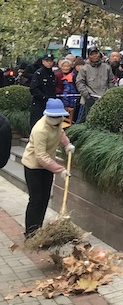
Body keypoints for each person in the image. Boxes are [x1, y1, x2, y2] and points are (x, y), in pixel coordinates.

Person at [21, 98, 74, 238]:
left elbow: (60, 133)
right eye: (54, 116)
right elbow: (40, 156)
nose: (56, 119)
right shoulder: (40, 130)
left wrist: (67, 144)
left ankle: (39, 228)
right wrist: (60, 169)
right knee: (36, 199)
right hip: (33, 167)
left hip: (47, 167)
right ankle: (30, 233)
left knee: (44, 198)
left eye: (58, 116)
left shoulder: (57, 124)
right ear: (48, 115)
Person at [75, 45, 114, 120]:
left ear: (99, 54)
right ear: (89, 56)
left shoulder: (107, 67)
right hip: (89, 98)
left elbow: (111, 81)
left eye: (96, 53)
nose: (94, 56)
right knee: (86, 120)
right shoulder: (84, 69)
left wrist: (109, 93)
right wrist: (86, 94)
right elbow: (79, 82)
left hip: (104, 97)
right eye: (92, 54)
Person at [29, 53, 57, 130]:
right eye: (47, 61)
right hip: (39, 103)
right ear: (43, 61)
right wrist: (44, 97)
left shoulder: (52, 74)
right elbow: (33, 89)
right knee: (37, 126)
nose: (49, 63)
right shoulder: (39, 73)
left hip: (49, 104)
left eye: (51, 61)